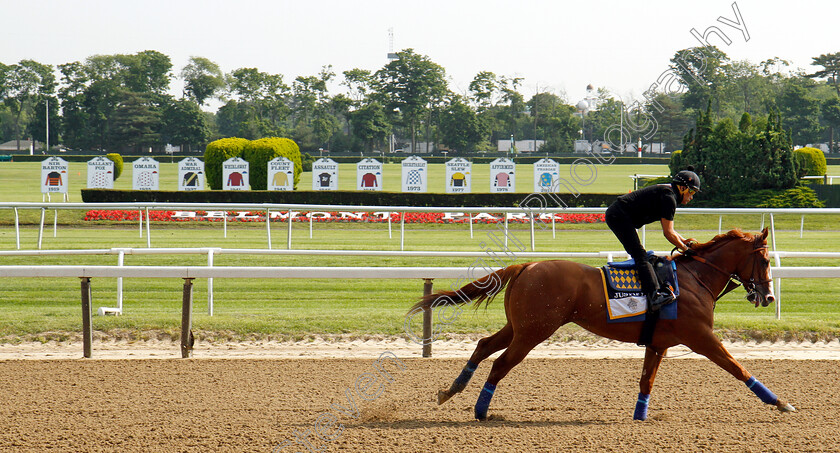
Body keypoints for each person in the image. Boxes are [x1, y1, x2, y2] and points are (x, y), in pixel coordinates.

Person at [605, 167, 701, 311]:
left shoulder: (670, 194)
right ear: (682, 188)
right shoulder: (669, 198)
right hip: (618, 216)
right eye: (691, 191)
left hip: (621, 216)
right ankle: (654, 296)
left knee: (644, 257)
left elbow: (672, 231)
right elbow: (668, 233)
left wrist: (685, 242)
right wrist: (685, 249)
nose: (691, 197)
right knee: (641, 256)